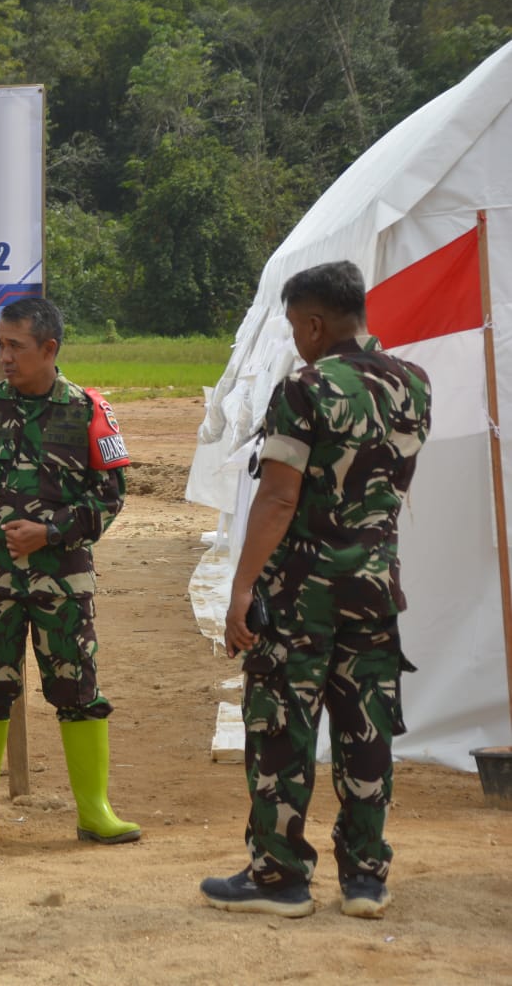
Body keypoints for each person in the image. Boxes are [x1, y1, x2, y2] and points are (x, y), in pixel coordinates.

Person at [201, 261, 431, 920]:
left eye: (295, 328)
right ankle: (365, 879)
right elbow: (389, 485)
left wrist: (241, 588)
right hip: (376, 590)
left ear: (314, 323)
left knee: (282, 728)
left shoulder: (305, 388)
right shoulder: (413, 384)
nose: (295, 341)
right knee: (367, 730)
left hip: (303, 593)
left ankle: (280, 878)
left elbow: (278, 496)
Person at [0, 296, 141, 850]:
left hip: (63, 581)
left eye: (14, 347)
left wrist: (51, 533)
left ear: (49, 349)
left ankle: (94, 810)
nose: (3, 357)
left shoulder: (89, 411)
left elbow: (111, 497)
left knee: (77, 688)